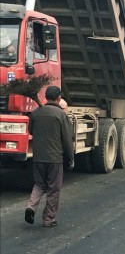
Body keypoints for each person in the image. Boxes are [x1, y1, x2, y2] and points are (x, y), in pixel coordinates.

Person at [25, 86, 74, 227]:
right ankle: (48, 219)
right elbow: (67, 139)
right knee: (53, 188)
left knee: (39, 184)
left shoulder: (35, 113)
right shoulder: (61, 115)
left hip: (38, 156)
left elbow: (31, 131)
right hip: (55, 158)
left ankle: (30, 207)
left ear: (45, 97)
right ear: (59, 98)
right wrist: (70, 158)